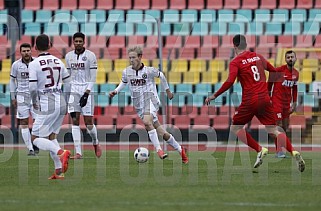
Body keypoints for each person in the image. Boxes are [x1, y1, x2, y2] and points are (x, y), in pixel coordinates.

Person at [205, 34, 305, 172]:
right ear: (246, 45)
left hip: (250, 100)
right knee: (274, 130)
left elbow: (229, 82)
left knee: (235, 128)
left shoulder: (236, 62)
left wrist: (214, 95)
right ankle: (294, 152)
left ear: (234, 46)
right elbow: (274, 71)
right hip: (265, 99)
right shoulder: (258, 57)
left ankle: (260, 149)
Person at [109, 46, 188, 164]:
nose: (131, 60)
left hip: (151, 100)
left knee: (146, 122)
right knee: (162, 133)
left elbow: (161, 75)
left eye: (134, 57)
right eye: (130, 58)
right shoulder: (127, 72)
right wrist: (115, 91)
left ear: (140, 57)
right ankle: (181, 150)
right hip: (139, 105)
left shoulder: (149, 71)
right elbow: (123, 82)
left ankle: (159, 150)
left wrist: (168, 91)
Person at [29, 34, 71, 180]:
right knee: (52, 136)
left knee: (34, 138)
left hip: (47, 103)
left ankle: (61, 152)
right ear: (50, 45)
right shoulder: (59, 61)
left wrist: (34, 102)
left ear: (35, 47)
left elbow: (33, 87)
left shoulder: (34, 64)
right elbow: (68, 83)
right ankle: (58, 171)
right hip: (61, 101)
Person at [65, 32, 102, 159]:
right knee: (75, 120)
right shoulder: (68, 56)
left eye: (80, 41)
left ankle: (95, 142)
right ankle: (78, 152)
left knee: (88, 122)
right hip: (74, 90)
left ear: (84, 42)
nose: (78, 43)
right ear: (73, 42)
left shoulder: (90, 56)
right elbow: (68, 77)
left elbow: (93, 77)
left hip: (87, 89)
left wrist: (86, 93)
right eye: (76, 41)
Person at [268, 50, 299, 158]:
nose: (290, 59)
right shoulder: (279, 71)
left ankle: (280, 150)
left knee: (285, 127)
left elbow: (294, 88)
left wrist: (294, 103)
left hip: (287, 104)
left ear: (295, 58)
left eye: (292, 57)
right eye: (288, 57)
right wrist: (268, 96)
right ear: (285, 59)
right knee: (279, 126)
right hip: (277, 102)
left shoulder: (296, 73)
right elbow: (270, 81)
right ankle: (279, 151)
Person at [10, 43, 38, 155]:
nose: (26, 53)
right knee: (24, 122)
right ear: (20, 52)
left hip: (35, 96)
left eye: (28, 50)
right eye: (24, 51)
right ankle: (30, 148)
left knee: (37, 122)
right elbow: (12, 81)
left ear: (31, 51)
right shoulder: (16, 65)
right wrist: (13, 97)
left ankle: (35, 142)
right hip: (22, 96)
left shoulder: (36, 63)